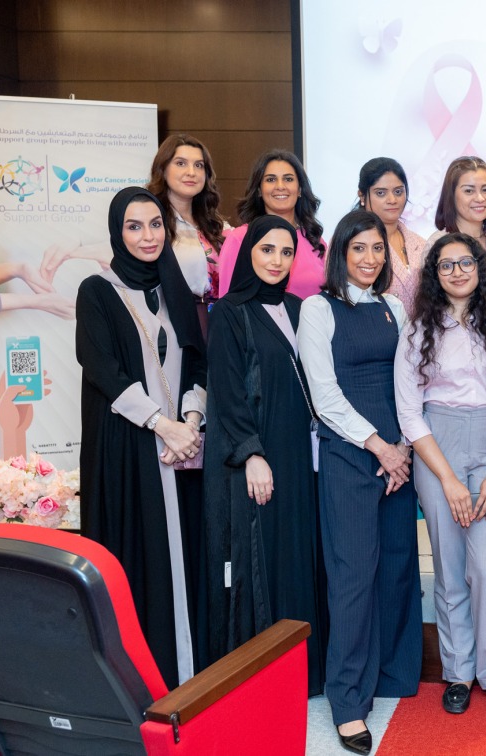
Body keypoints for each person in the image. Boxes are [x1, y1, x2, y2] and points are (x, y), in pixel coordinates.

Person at [299, 210, 419, 754]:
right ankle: (348, 701)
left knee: (397, 567)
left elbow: (410, 383)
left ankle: (391, 674)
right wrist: (380, 447)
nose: (370, 259)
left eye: (377, 249)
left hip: (398, 456)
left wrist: (404, 450)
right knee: (352, 577)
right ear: (340, 254)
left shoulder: (394, 306)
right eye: (359, 249)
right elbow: (323, 396)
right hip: (350, 455)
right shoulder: (318, 309)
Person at [76, 186, 205, 687]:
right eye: (134, 226)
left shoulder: (176, 289)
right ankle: (140, 682)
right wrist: (162, 424)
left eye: (155, 225)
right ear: (118, 232)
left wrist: (190, 421)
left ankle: (187, 673)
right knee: (139, 562)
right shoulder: (97, 290)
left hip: (182, 449)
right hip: (129, 449)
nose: (148, 236)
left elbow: (198, 361)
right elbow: (101, 367)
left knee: (185, 559)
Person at [394, 233, 486, 716]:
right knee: (449, 570)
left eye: (465, 262)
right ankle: (458, 673)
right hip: (437, 449)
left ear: (480, 267)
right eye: (445, 265)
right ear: (434, 274)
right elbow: (410, 412)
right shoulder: (416, 331)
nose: (456, 272)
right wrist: (448, 480)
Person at [202, 215, 327, 693]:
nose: (277, 261)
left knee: (298, 553)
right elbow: (227, 391)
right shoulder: (229, 312)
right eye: (267, 250)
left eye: (286, 252)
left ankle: (306, 671)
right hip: (260, 455)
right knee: (264, 558)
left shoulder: (300, 309)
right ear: (248, 252)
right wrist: (251, 453)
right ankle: (267, 679)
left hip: (300, 453)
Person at [146, 134, 229, 332]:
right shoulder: (151, 224)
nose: (191, 172)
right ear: (163, 169)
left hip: (219, 323)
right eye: (181, 163)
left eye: (199, 165)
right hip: (170, 324)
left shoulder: (218, 226)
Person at [218, 150, 327, 300]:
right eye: (270, 179)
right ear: (259, 190)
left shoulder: (315, 240)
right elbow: (227, 301)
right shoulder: (240, 238)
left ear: (300, 189)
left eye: (288, 179)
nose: (280, 186)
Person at [357, 157, 427, 314]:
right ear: (362, 196)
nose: (392, 200)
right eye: (381, 193)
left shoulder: (422, 244)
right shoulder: (348, 242)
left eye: (398, 192)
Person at [427, 156, 486, 273]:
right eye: (469, 191)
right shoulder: (437, 243)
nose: (480, 198)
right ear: (451, 196)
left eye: (485, 190)